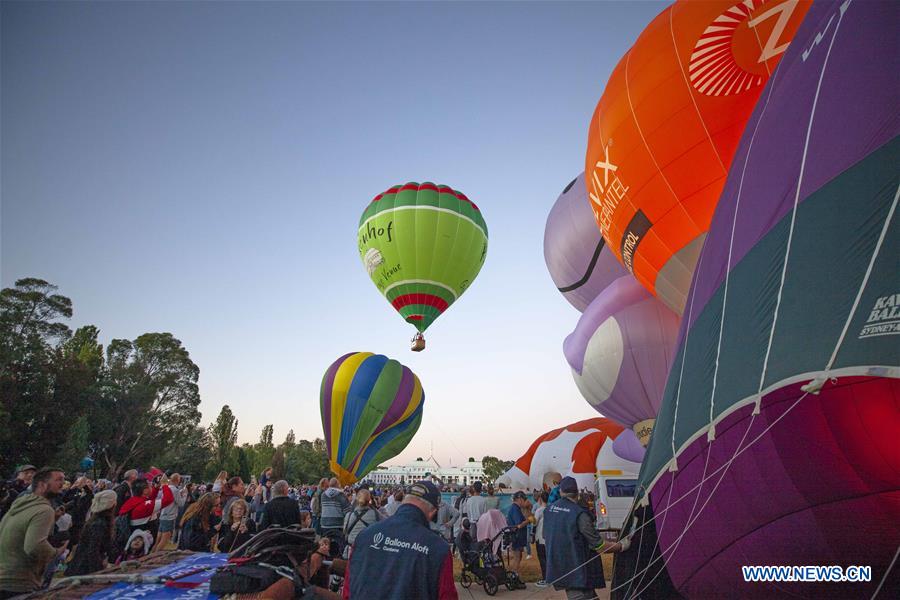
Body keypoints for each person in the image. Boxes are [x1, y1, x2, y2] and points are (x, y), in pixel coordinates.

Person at [343, 481, 457, 599]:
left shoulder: (364, 536)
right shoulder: (437, 549)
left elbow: (348, 589)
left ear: (404, 501)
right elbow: (447, 595)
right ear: (433, 512)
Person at [544, 477, 630, 600]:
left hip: (558, 566)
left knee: (589, 595)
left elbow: (546, 535)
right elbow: (599, 545)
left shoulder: (549, 510)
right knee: (580, 595)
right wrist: (621, 546)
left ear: (561, 492)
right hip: (576, 571)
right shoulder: (579, 514)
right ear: (577, 493)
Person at [0, 467, 67, 598]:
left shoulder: (20, 504)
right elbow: (34, 545)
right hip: (18, 581)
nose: (62, 484)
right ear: (42, 485)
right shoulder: (44, 509)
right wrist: (56, 553)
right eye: (58, 480)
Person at [66, 490, 117, 576]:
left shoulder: (99, 520)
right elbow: (93, 550)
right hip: (84, 568)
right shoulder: (99, 524)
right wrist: (96, 572)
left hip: (84, 564)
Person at [341, 489, 380, 558]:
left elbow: (345, 532)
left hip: (350, 552)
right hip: (367, 553)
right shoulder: (375, 515)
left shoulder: (348, 515)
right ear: (369, 500)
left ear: (356, 499)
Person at [153, 473, 185, 552]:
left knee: (158, 540)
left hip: (162, 515)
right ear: (178, 480)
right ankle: (154, 557)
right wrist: (184, 495)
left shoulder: (165, 488)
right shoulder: (175, 490)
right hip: (169, 516)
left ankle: (152, 552)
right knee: (164, 540)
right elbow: (181, 503)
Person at [504, 491, 529, 590]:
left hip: (518, 537)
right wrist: (529, 520)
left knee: (518, 557)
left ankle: (515, 576)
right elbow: (519, 525)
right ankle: (513, 578)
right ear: (519, 499)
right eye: (524, 499)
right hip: (516, 538)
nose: (525, 501)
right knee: (517, 558)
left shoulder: (516, 508)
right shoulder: (515, 509)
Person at [319, 478, 350, 544]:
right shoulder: (341, 495)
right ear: (337, 485)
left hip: (325, 524)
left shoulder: (323, 495)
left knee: (325, 544)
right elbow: (347, 511)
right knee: (338, 545)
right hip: (338, 524)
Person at [533, 491, 549, 587]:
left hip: (540, 537)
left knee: (542, 559)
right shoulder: (551, 509)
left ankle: (545, 579)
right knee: (548, 558)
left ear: (541, 499)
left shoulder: (539, 511)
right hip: (549, 538)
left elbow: (534, 523)